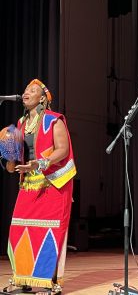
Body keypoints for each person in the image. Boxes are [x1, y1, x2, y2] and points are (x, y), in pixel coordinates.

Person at [4, 79, 76, 295]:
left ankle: (51, 283)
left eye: (32, 90)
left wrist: (41, 163)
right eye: (26, 90)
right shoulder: (20, 124)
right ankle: (22, 279)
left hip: (53, 182)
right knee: (19, 230)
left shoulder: (55, 120)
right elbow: (12, 166)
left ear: (42, 98)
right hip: (29, 184)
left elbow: (62, 150)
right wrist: (8, 154)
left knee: (51, 233)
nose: (26, 92)